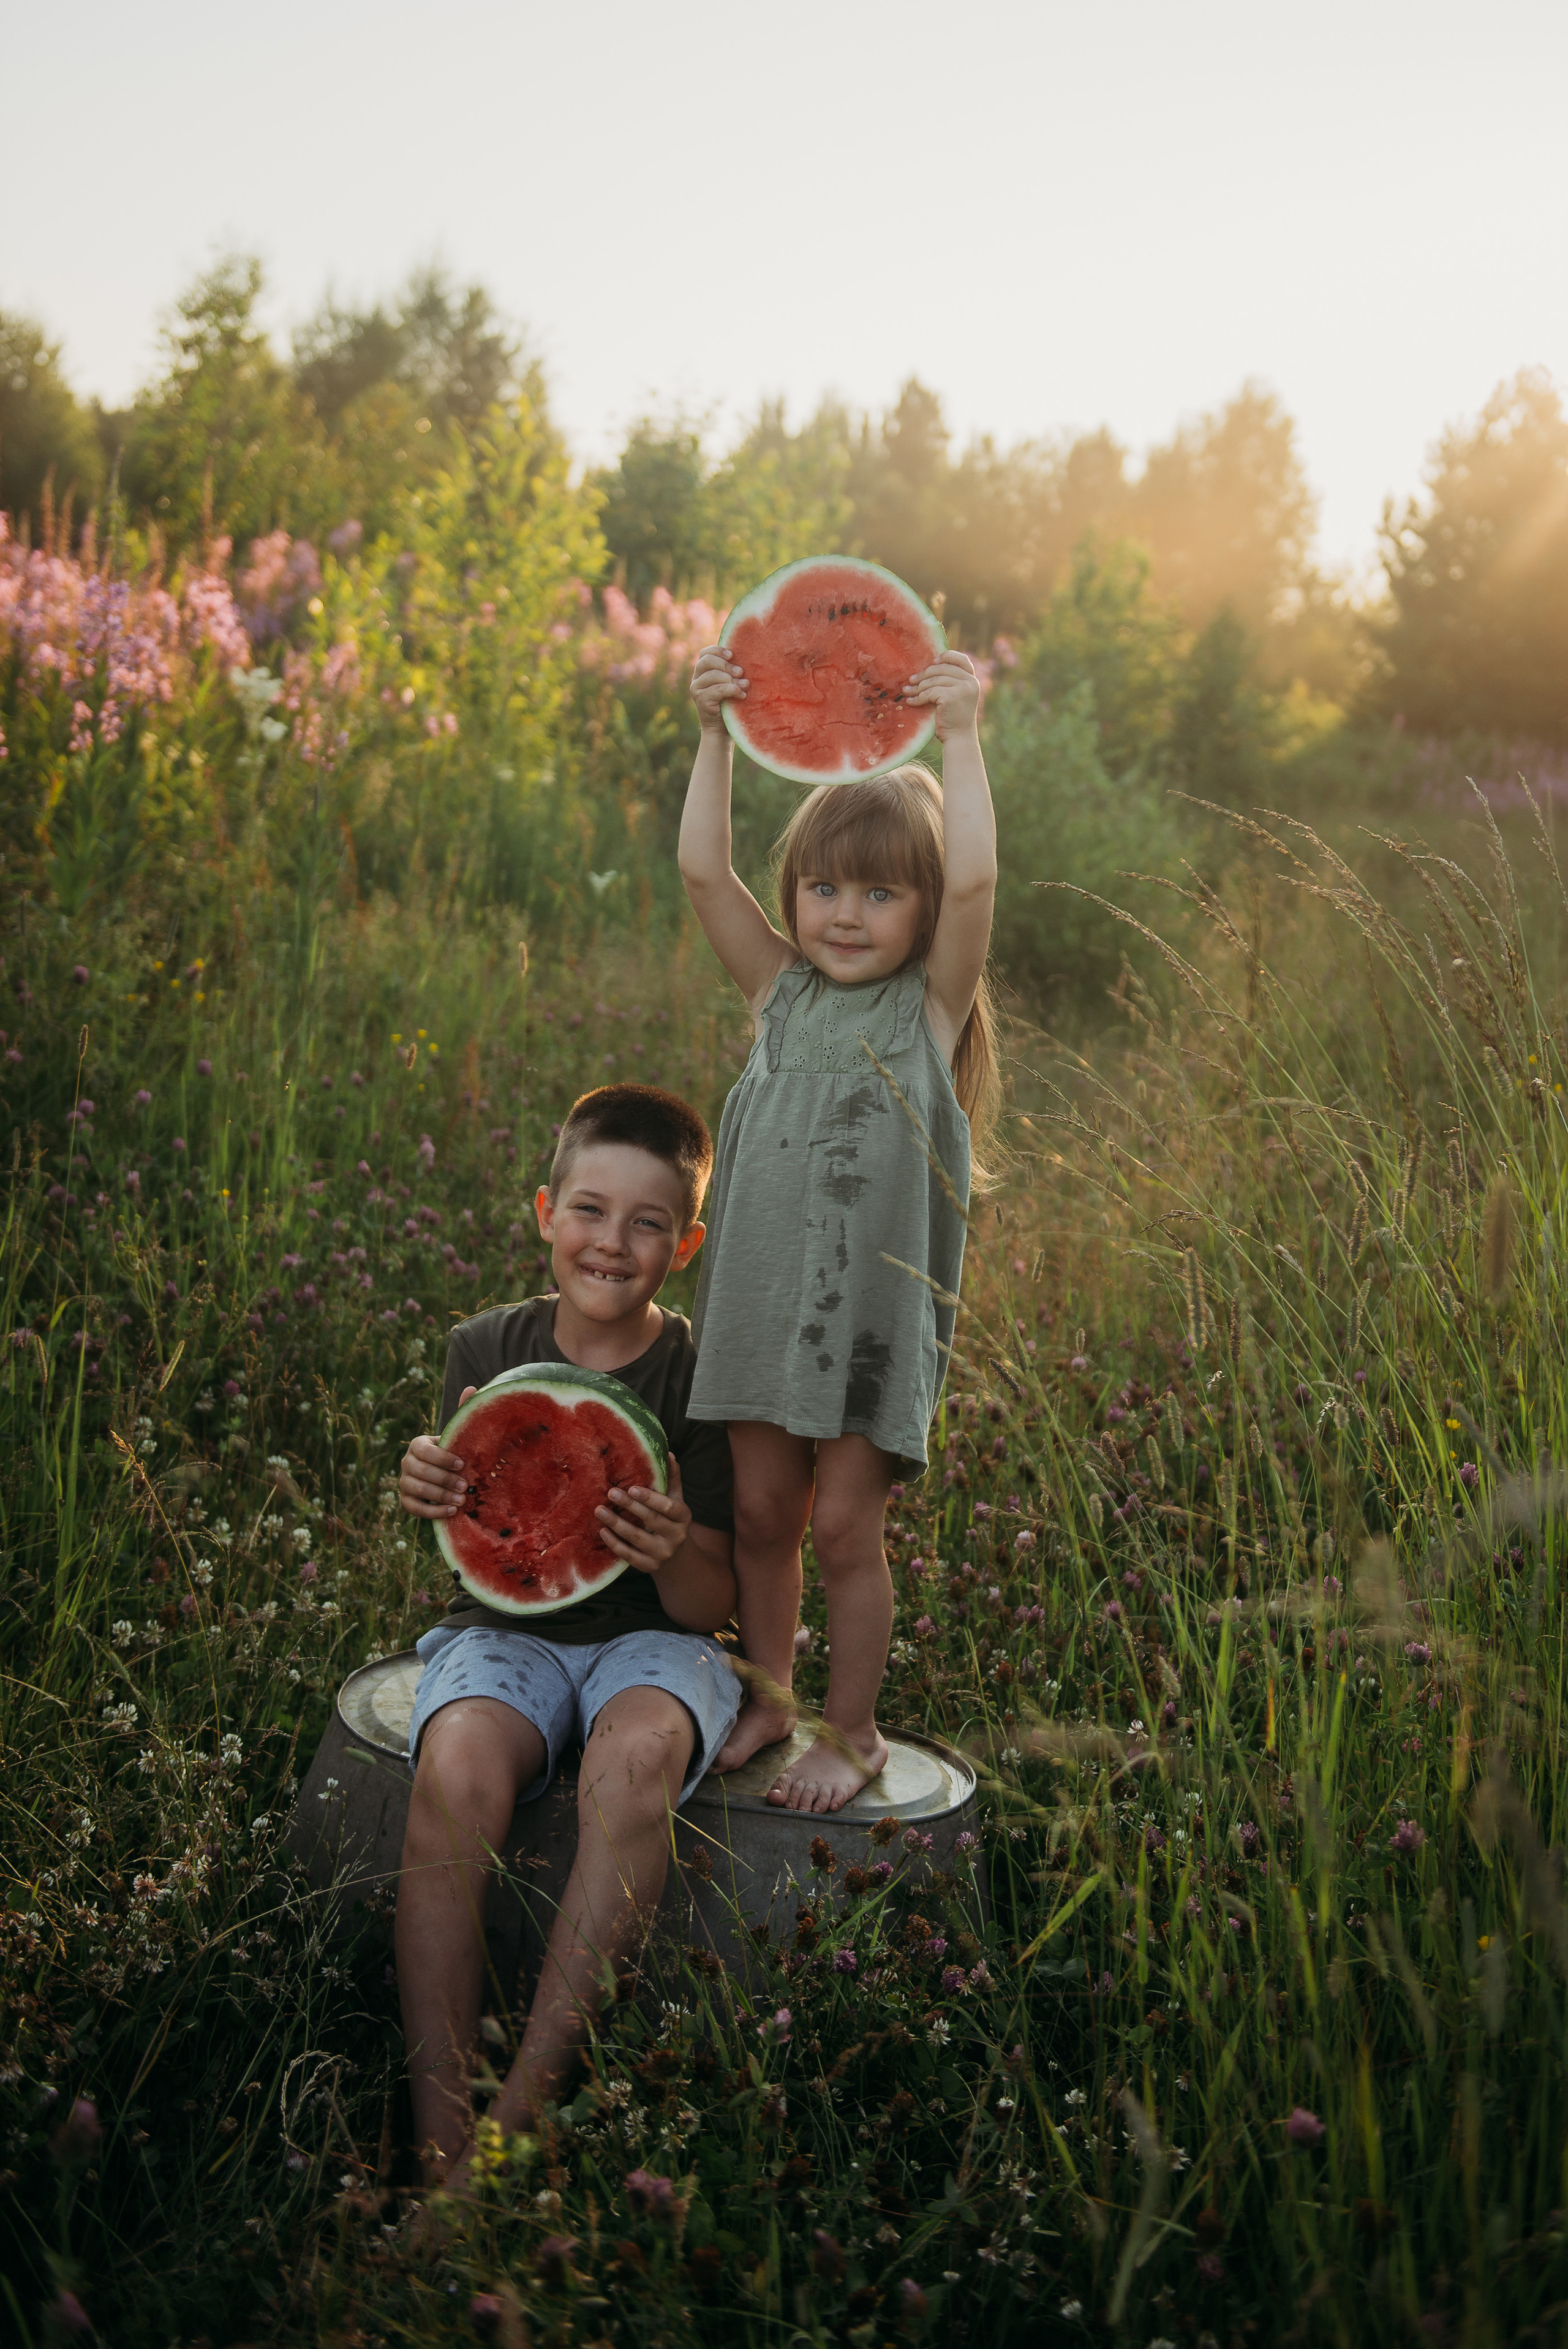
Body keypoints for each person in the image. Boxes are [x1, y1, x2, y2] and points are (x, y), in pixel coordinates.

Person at [393, 1084, 738, 2183]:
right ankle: (443, 2136)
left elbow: (708, 1604)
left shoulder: (702, 1377)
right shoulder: (481, 1346)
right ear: (545, 1210)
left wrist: (672, 1544)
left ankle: (518, 2125)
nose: (612, 1242)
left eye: (648, 1223)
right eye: (589, 1210)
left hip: (656, 1644)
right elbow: (489, 1540)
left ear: (682, 1245)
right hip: (501, 1630)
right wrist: (428, 1482)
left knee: (635, 1763)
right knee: (455, 1769)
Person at [678, 643, 998, 1814]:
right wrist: (714, 733)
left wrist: (961, 737)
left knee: (847, 1527)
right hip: (763, 1307)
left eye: (879, 892)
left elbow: (976, 886)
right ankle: (770, 1693)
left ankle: (851, 1728)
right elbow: (707, 874)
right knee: (763, 1514)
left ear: (918, 910)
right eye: (824, 888)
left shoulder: (928, 1010)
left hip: (867, 1324)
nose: (845, 913)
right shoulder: (779, 993)